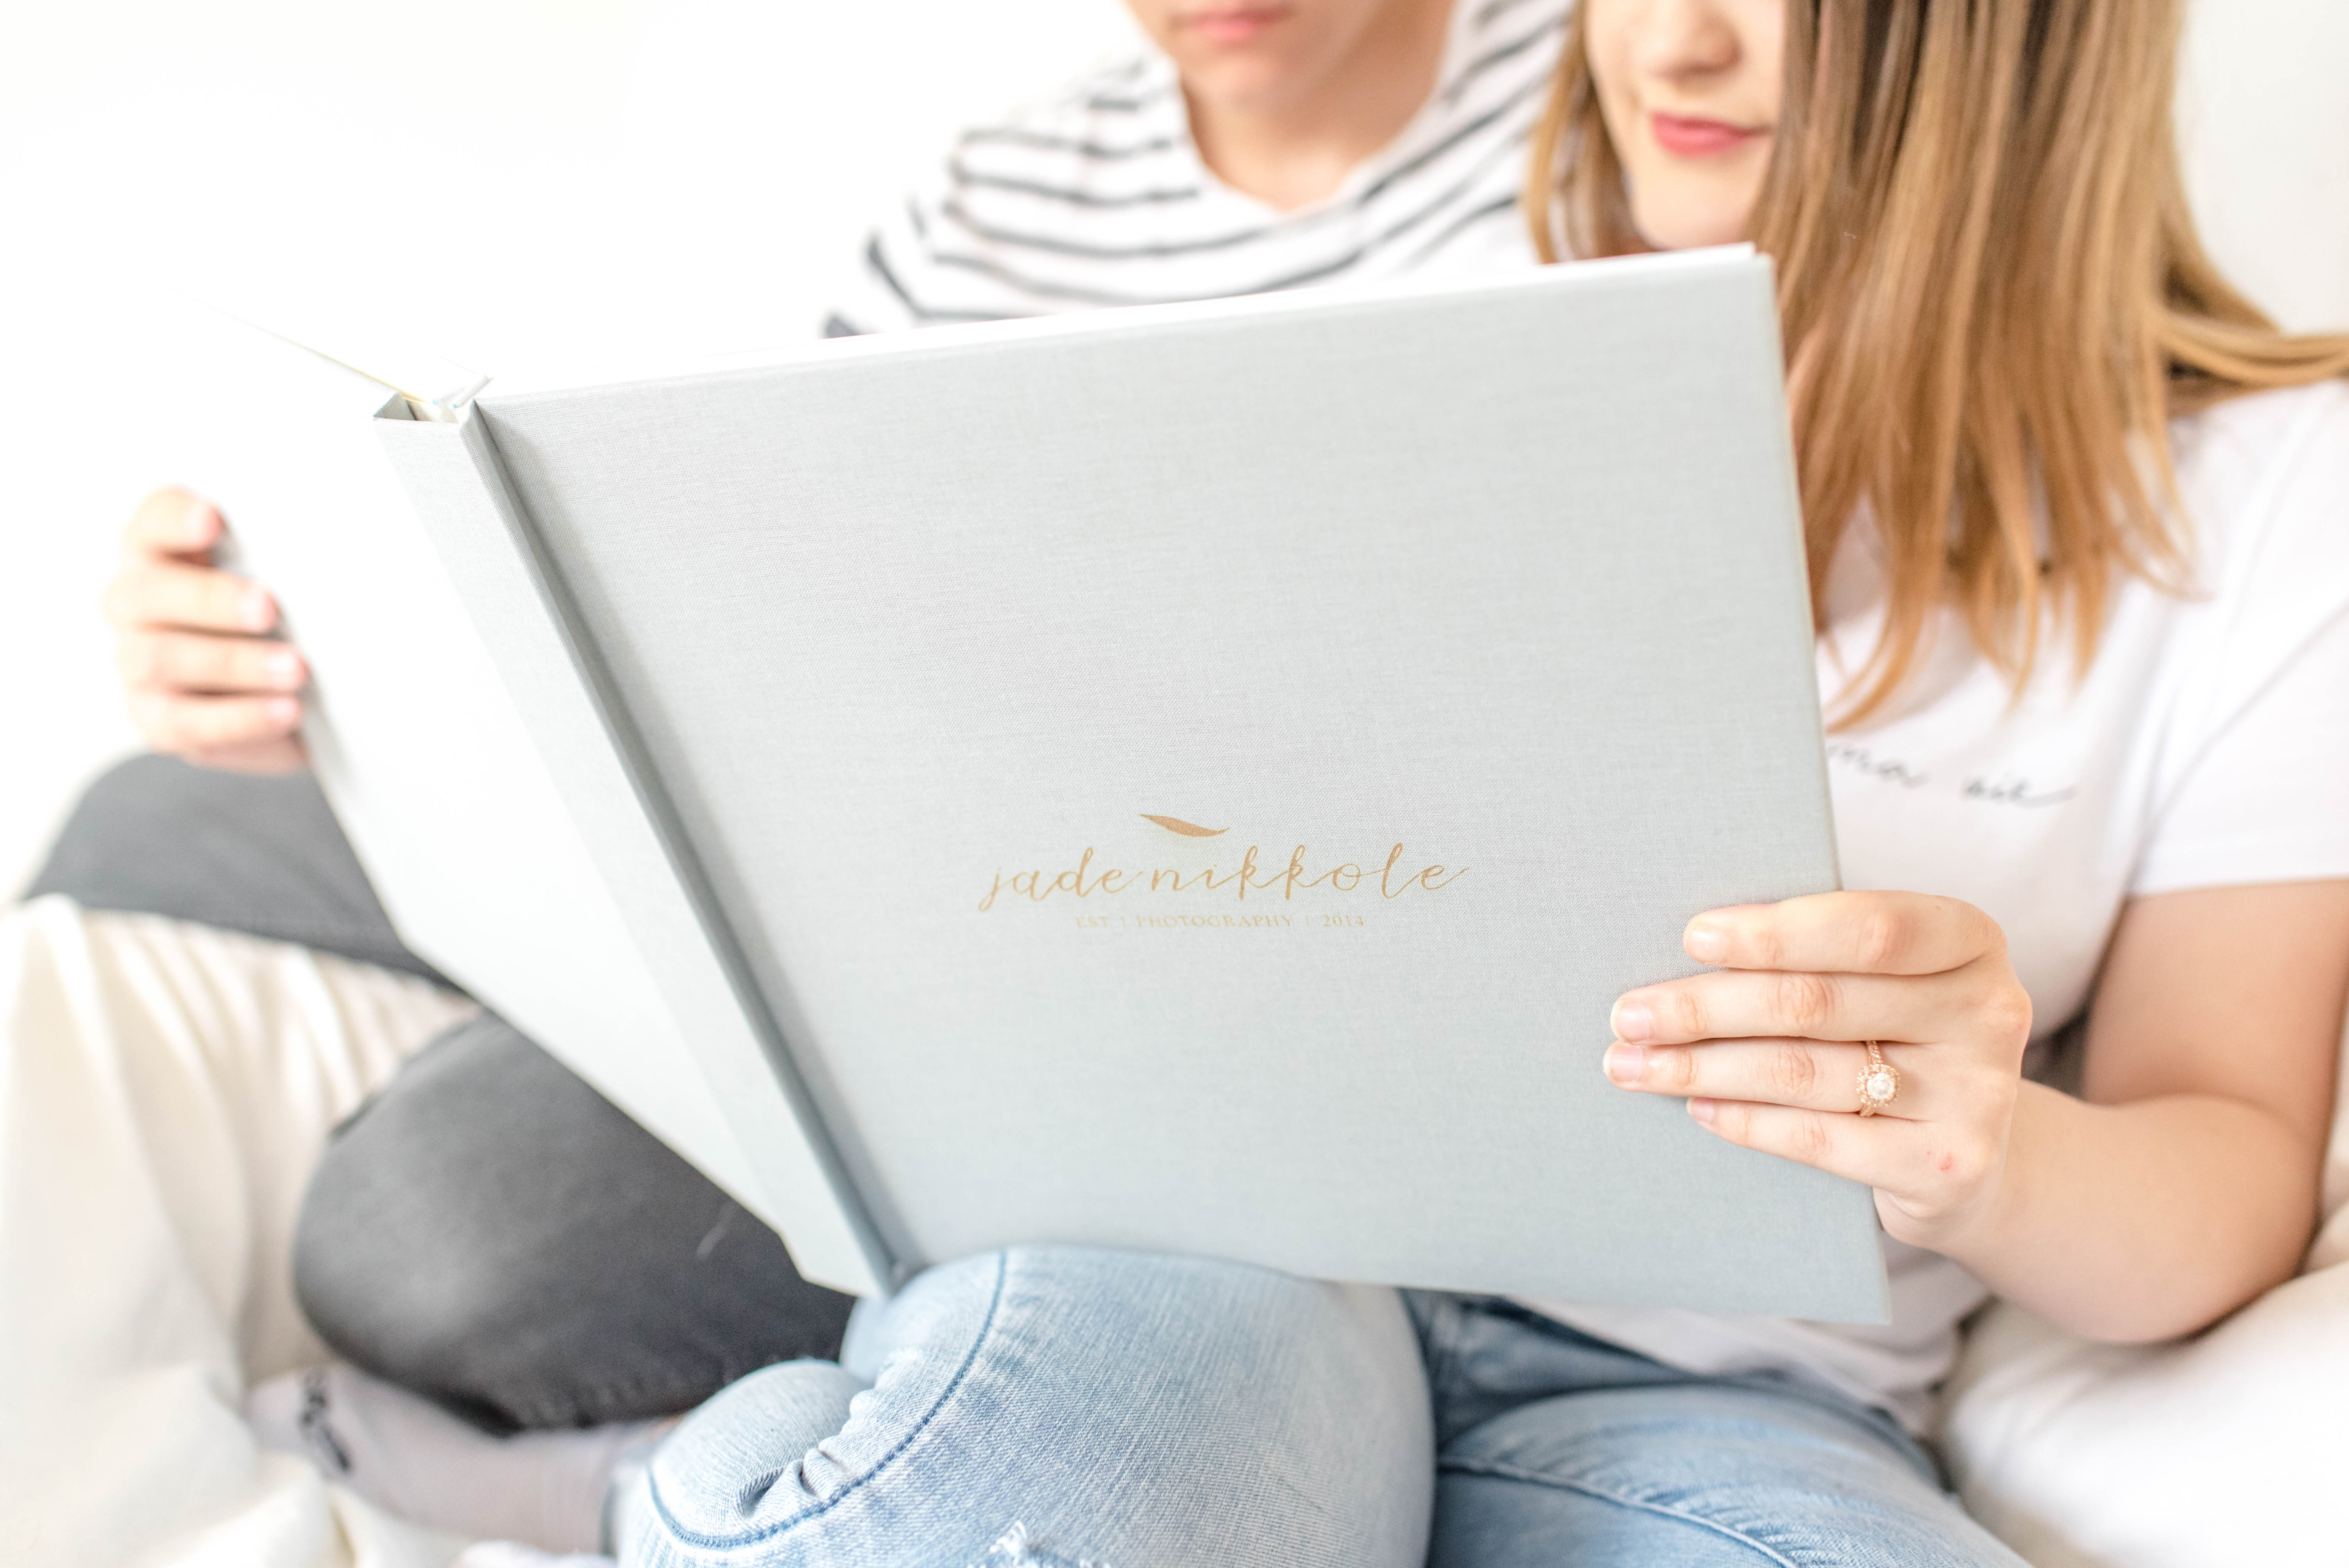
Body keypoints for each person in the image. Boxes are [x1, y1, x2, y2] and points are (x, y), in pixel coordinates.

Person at [594, 0, 2349, 1564]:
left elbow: (2228, 1181)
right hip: (1244, 1250)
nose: (1667, 43)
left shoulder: (2264, 500)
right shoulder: (1445, 311)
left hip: (1712, 1386)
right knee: (969, 1513)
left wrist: (1980, 1151)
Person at [10, 0, 1573, 1559]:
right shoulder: (999, 192)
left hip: (1187, 975)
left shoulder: (1624, 125)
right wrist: (318, 659)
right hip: (903, 866)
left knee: (427, 1231)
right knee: (146, 812)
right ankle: (575, 947)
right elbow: (812, 607)